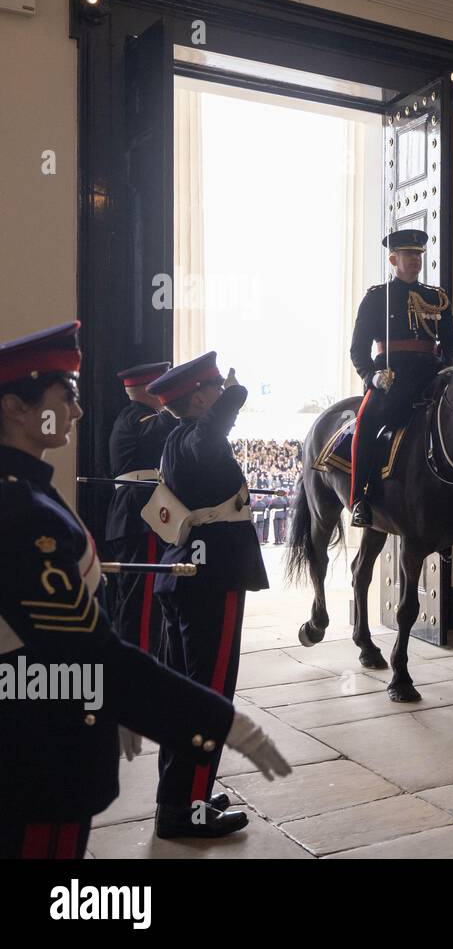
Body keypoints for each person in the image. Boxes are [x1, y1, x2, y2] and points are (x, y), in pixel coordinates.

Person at [0, 323, 289, 859]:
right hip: (40, 753)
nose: (79, 411)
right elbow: (93, 655)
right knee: (211, 682)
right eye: (67, 394)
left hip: (54, 725)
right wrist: (218, 721)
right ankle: (185, 804)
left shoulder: (33, 494)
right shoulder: (22, 512)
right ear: (16, 406)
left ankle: (182, 799)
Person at [146, 353, 270, 839]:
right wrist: (236, 397)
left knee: (186, 695)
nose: (221, 392)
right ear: (199, 397)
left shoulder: (177, 440)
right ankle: (186, 809)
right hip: (210, 581)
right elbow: (211, 436)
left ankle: (178, 796)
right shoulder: (196, 439)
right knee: (209, 695)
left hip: (186, 580)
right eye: (215, 388)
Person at [349, 229, 453, 526]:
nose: (415, 260)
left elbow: (451, 341)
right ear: (393, 259)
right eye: (408, 255)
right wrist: (372, 377)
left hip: (431, 374)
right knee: (367, 420)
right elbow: (358, 349)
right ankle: (361, 495)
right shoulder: (377, 298)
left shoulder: (436, 298)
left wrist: (450, 365)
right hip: (392, 377)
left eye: (418, 255)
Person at [103, 361, 175, 657]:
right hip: (140, 513)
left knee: (134, 601)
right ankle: (141, 676)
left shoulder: (132, 417)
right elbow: (159, 430)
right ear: (150, 390)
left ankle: (130, 672)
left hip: (134, 513)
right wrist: (180, 399)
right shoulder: (137, 417)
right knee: (142, 605)